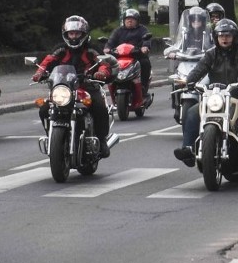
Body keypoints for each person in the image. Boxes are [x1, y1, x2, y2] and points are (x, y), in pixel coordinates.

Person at [173, 19, 238, 166]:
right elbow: (199, 70)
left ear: (234, 37)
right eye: (221, 35)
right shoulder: (211, 55)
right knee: (192, 112)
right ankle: (188, 149)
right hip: (214, 96)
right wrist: (188, 81)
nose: (224, 38)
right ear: (216, 37)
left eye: (228, 35)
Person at [32, 15, 113, 158]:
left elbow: (103, 63)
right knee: (44, 108)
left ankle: (102, 140)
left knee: (99, 106)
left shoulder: (91, 49)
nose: (74, 37)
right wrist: (39, 73)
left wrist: (101, 73)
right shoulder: (60, 49)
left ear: (83, 34)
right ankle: (53, 138)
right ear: (66, 34)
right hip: (64, 88)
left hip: (87, 87)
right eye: (71, 33)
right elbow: (47, 62)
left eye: (77, 33)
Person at [104, 8, 152, 98]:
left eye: (132, 19)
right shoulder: (118, 31)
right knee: (108, 65)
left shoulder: (142, 29)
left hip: (137, 56)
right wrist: (107, 48)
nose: (129, 20)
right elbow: (111, 41)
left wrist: (145, 47)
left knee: (145, 63)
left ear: (137, 21)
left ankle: (143, 87)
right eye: (127, 19)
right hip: (120, 57)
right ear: (124, 20)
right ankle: (111, 84)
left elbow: (146, 39)